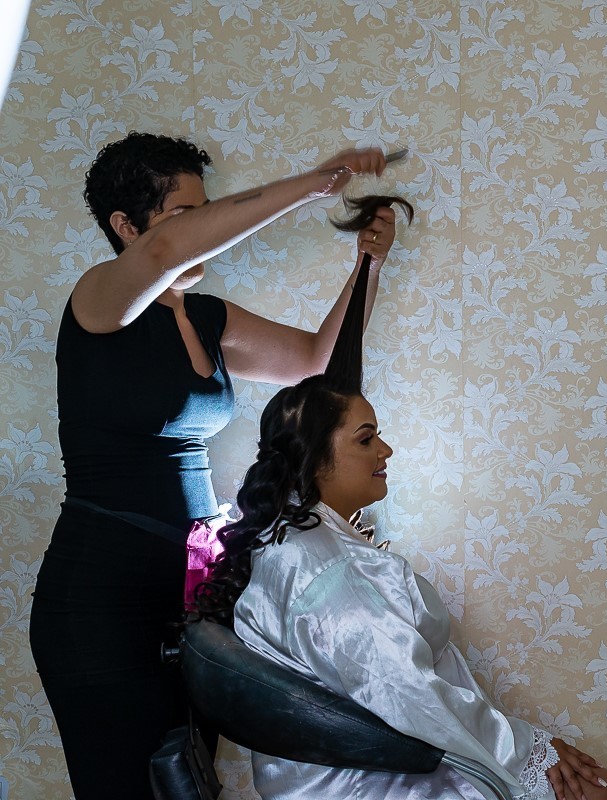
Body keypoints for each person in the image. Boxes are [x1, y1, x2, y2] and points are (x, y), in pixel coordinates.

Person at [28, 131, 406, 800]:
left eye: (208, 211)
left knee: (188, 786)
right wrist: (316, 182)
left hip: (194, 597)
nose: (202, 229)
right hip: (101, 596)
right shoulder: (101, 300)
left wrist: (367, 265)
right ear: (126, 226)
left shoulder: (206, 318)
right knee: (126, 788)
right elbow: (169, 250)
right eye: (187, 214)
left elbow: (315, 362)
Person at [192, 259, 607, 800]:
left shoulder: (299, 538)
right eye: (365, 438)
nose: (385, 450)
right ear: (314, 455)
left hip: (378, 754)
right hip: (366, 779)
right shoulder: (327, 569)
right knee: (605, 792)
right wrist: (531, 751)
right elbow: (406, 690)